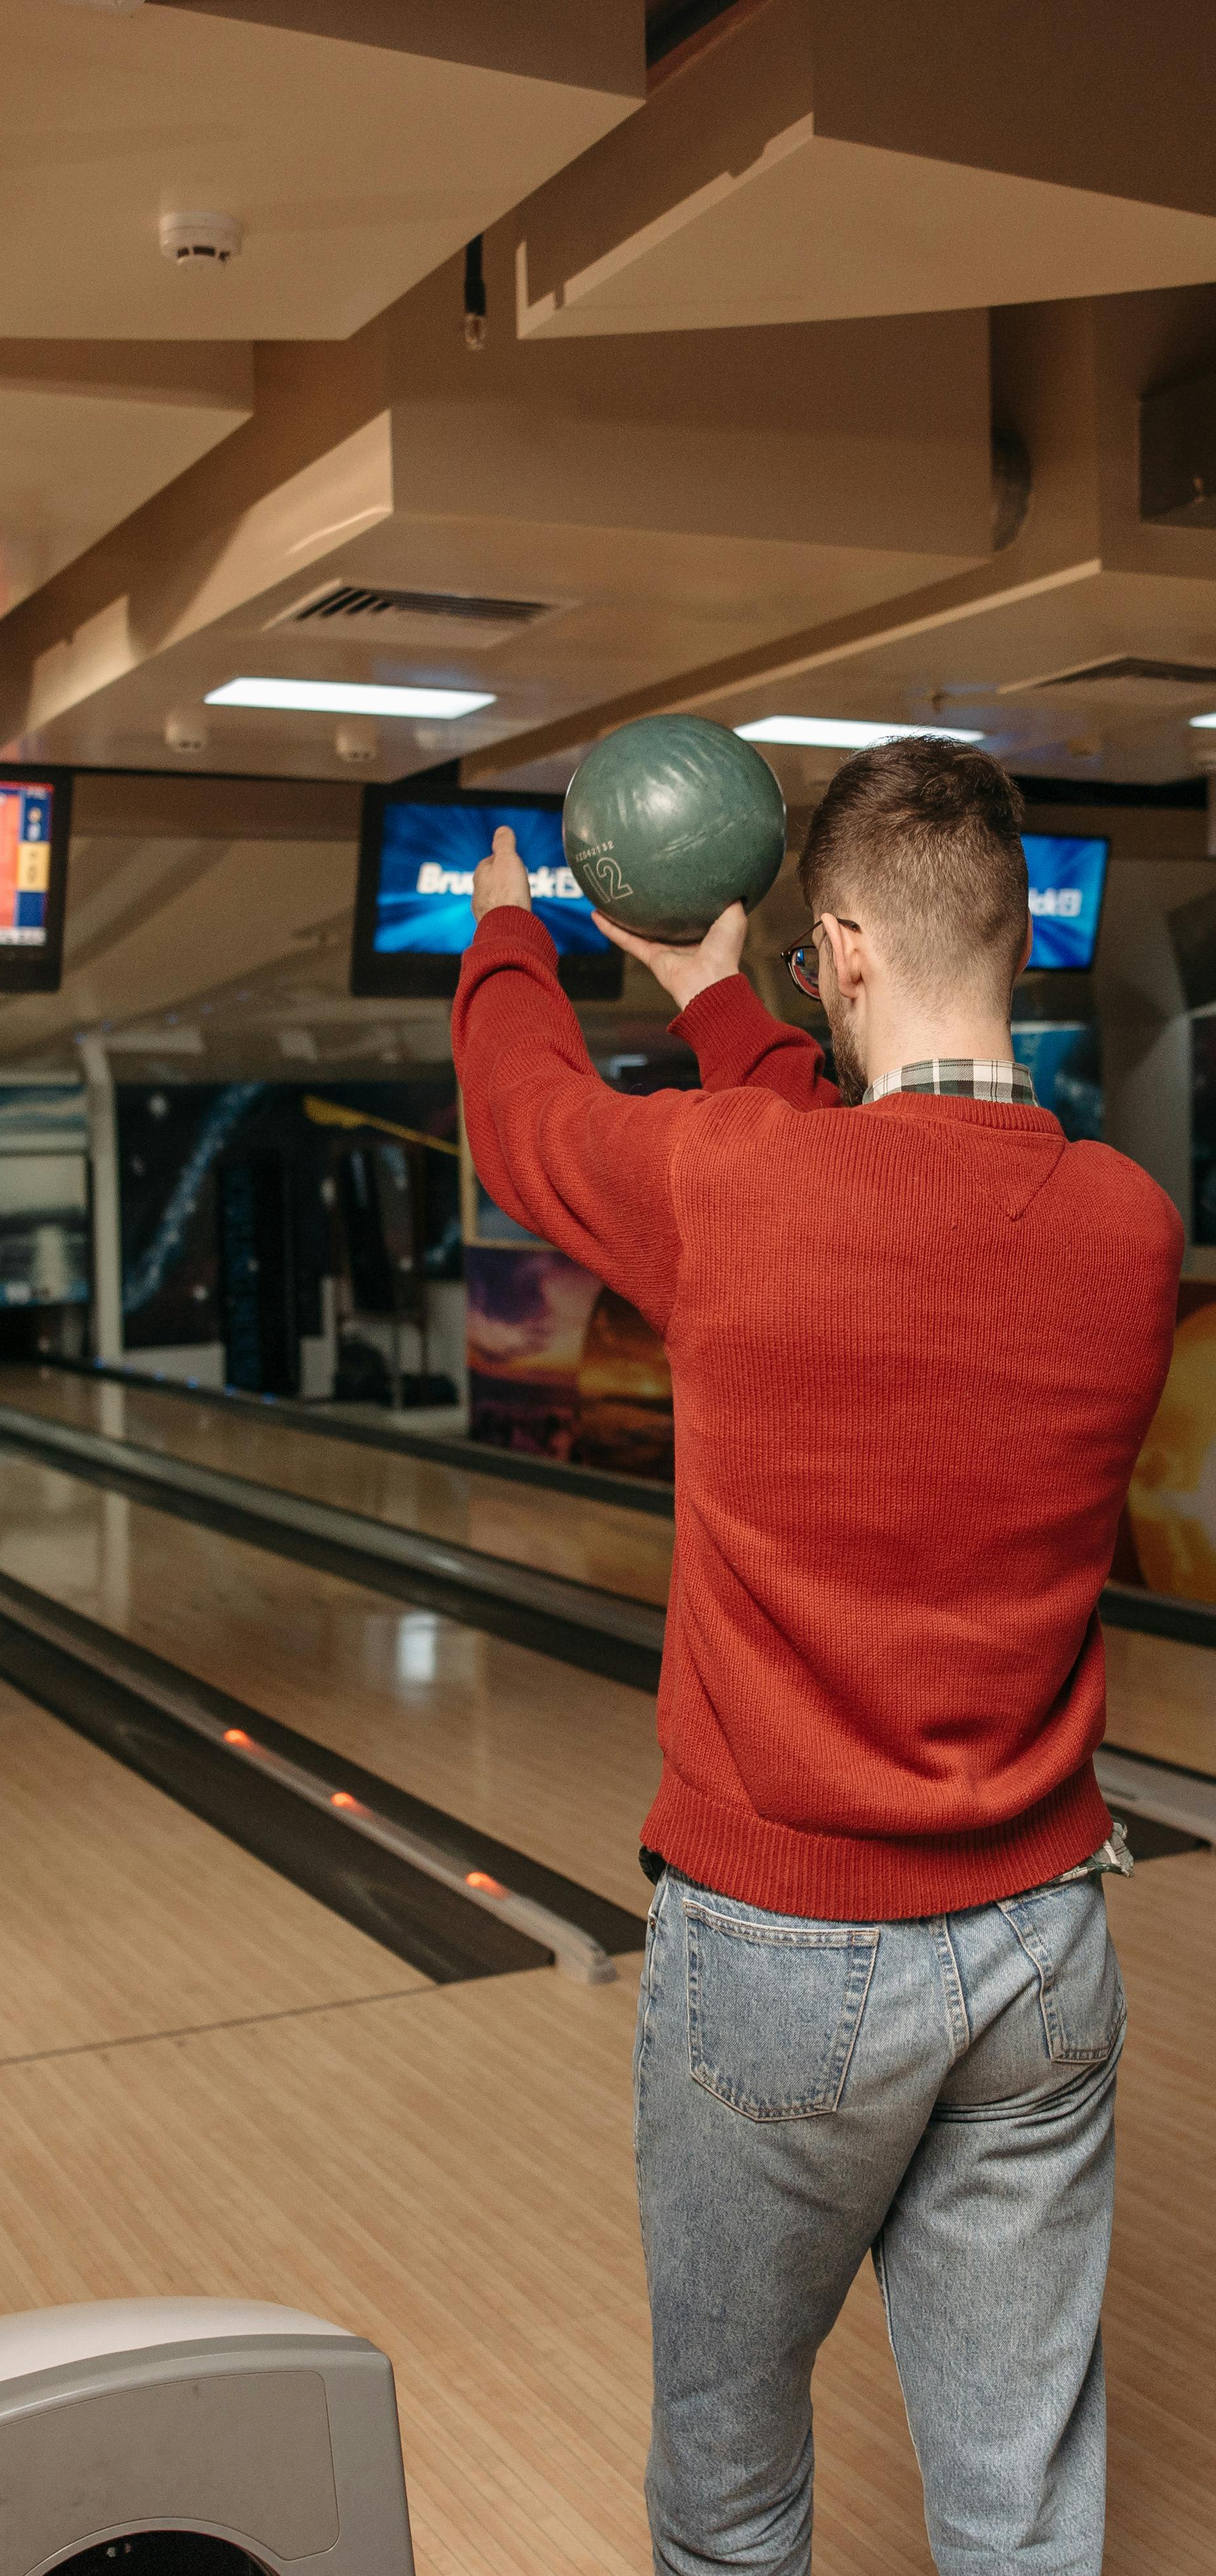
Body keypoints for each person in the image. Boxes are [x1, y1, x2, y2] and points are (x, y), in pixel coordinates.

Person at [452, 738, 1181, 2576]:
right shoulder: (1126, 1235)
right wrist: (717, 1001)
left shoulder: (730, 1194)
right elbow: (884, 1180)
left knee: (732, 2481)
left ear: (835, 949)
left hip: (780, 1957)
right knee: (1022, 2501)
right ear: (1018, 935)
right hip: (1042, 1953)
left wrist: (511, 939)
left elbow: (526, 1115)